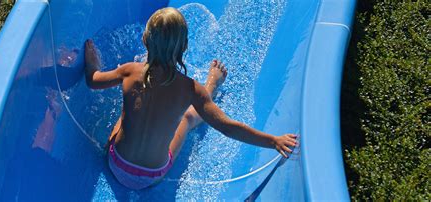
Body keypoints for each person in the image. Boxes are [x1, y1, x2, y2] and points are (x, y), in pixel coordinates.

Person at [84, 7, 297, 190]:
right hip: (152, 176)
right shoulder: (190, 89)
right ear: (184, 47)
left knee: (126, 112)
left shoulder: (129, 71)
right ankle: (212, 84)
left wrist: (92, 63)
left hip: (116, 163)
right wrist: (273, 141)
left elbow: (93, 81)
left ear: (144, 39)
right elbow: (227, 127)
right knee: (186, 119)